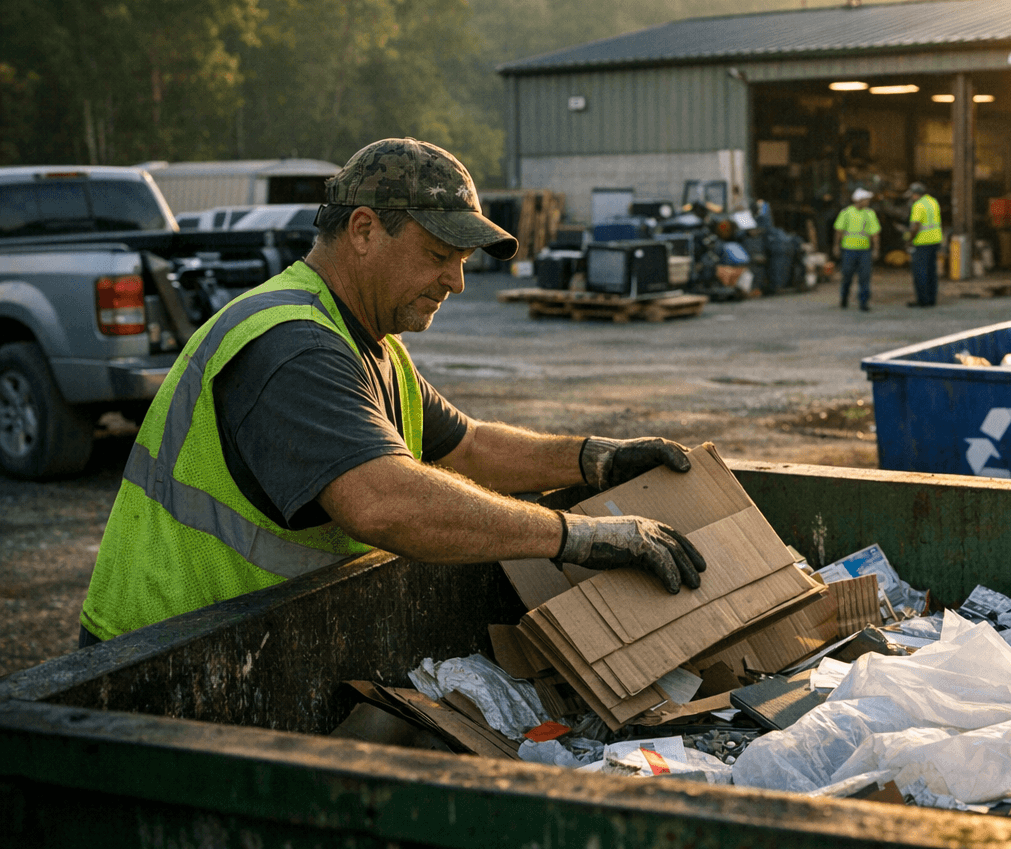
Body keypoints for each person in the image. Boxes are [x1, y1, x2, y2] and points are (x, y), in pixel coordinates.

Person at [80, 138, 705, 645]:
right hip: (156, 659)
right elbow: (383, 502)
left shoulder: (367, 342)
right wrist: (578, 537)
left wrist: (595, 457)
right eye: (439, 253)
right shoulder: (294, 346)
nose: (457, 282)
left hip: (232, 641)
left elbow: (470, 446)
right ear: (363, 230)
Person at [833, 188, 880, 311]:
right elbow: (839, 231)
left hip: (864, 251)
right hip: (849, 250)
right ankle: (844, 298)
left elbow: (875, 234)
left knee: (864, 277)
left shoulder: (870, 213)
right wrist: (836, 246)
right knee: (847, 276)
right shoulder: (846, 213)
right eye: (865, 199)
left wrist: (875, 249)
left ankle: (864, 302)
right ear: (858, 200)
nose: (868, 202)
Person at [904, 182, 942, 308]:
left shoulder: (918, 205)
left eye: (912, 195)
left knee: (920, 272)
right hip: (935, 241)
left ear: (916, 194)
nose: (911, 198)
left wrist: (909, 240)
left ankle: (922, 300)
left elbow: (915, 226)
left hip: (921, 243)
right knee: (931, 271)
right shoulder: (933, 202)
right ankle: (932, 299)